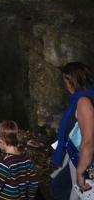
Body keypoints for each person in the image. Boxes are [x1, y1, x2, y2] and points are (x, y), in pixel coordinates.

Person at [51, 62, 94, 198]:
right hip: (72, 154)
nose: (65, 85)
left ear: (72, 80)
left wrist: (80, 171)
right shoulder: (85, 97)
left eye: (65, 80)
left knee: (66, 193)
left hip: (80, 159)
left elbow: (88, 141)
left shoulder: (84, 102)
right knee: (58, 183)